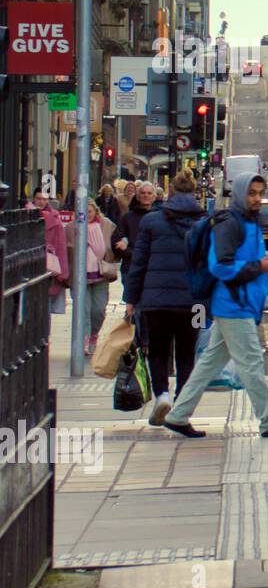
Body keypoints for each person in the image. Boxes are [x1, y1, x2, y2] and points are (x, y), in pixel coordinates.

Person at [162, 172, 268, 440]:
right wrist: (258, 266)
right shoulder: (230, 223)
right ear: (239, 193)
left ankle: (177, 416)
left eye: (260, 192)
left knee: (208, 365)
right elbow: (220, 266)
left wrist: (264, 257)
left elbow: (241, 259)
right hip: (235, 305)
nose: (257, 198)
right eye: (252, 193)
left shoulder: (249, 221)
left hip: (237, 304)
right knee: (252, 364)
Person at [123, 168, 204, 426]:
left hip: (156, 301)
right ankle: (181, 402)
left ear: (169, 192)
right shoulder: (204, 222)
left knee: (157, 351)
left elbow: (139, 264)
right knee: (187, 354)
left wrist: (131, 299)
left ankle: (161, 396)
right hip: (194, 303)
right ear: (194, 192)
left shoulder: (151, 221)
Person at [81, 200, 120, 356]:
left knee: (98, 311)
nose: (86, 215)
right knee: (83, 311)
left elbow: (115, 244)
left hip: (101, 274)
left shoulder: (106, 225)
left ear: (96, 212)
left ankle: (93, 336)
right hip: (81, 277)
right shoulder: (73, 227)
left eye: (89, 211)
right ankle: (83, 340)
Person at [30, 189, 70, 315]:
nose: (41, 202)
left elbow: (61, 247)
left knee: (45, 308)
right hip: (30, 266)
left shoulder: (55, 220)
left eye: (44, 199)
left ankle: (43, 334)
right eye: (38, 198)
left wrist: (62, 273)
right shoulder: (26, 215)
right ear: (33, 199)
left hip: (49, 268)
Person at [115, 180, 157, 277]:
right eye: (143, 193)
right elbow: (117, 240)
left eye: (149, 193)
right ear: (138, 196)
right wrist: (128, 251)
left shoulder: (161, 217)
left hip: (152, 267)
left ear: (154, 197)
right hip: (130, 266)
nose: (146, 195)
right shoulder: (128, 218)